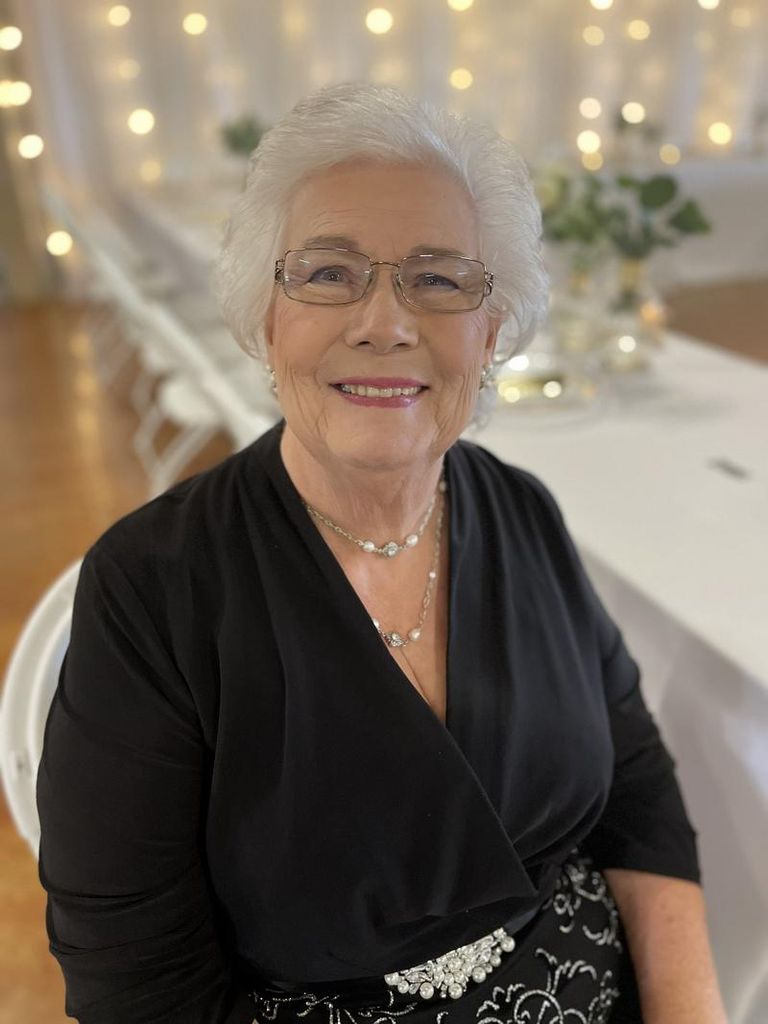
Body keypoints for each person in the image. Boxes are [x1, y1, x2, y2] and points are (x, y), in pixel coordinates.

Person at [37, 82, 728, 1023]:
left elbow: (637, 787)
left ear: (491, 332)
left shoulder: (522, 512)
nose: (385, 322)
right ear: (265, 318)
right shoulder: (153, 589)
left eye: (439, 280)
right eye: (329, 273)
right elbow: (140, 989)